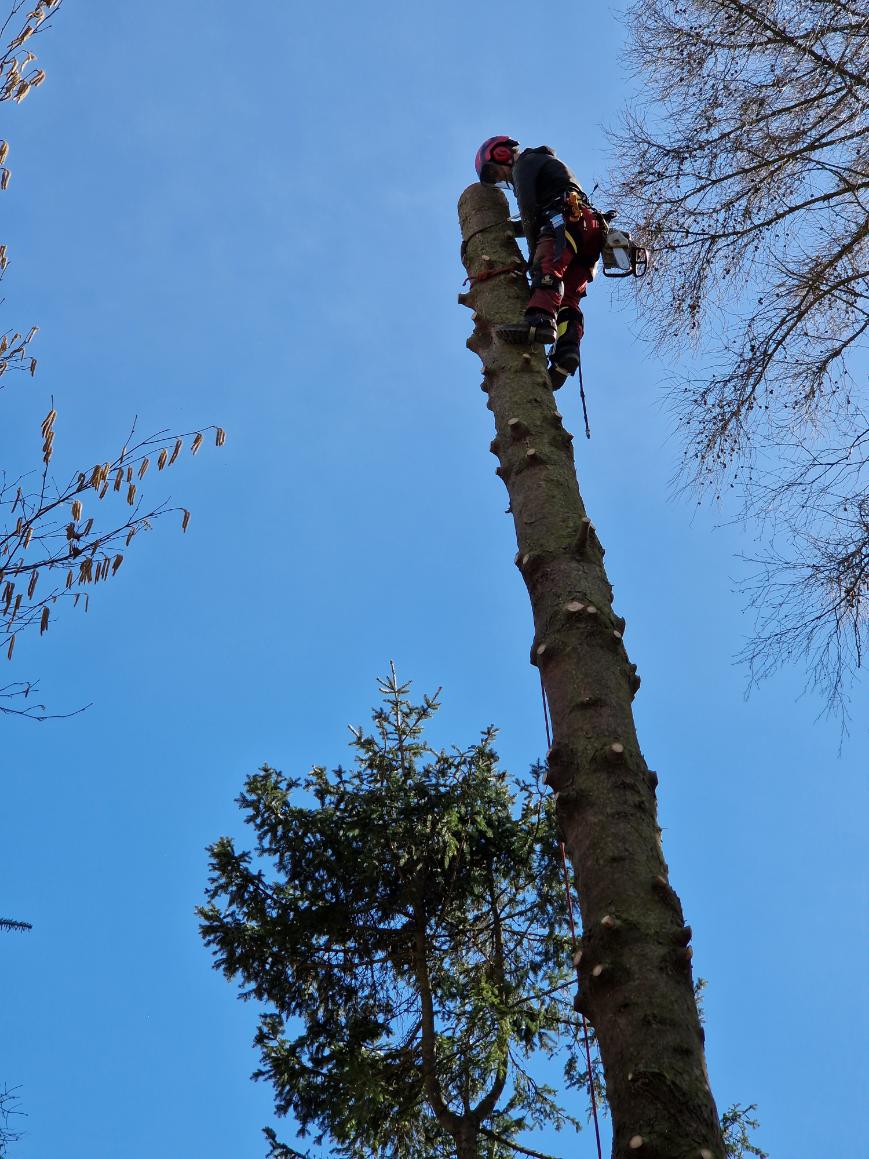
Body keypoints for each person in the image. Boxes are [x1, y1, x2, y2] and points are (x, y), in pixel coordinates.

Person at [474, 136, 604, 384]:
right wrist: (516, 229)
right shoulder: (544, 163)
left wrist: (533, 259)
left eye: (495, 170)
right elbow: (533, 215)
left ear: (502, 154)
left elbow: (529, 209)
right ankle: (566, 353)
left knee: (546, 267)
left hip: (565, 220)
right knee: (569, 298)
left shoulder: (526, 163)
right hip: (588, 228)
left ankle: (540, 322)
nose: (500, 177)